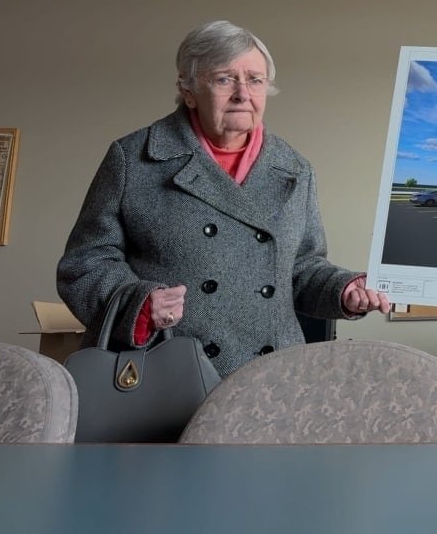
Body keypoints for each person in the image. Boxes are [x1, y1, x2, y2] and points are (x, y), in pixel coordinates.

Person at [57, 20, 391, 378]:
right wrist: (138, 305)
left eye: (255, 80)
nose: (242, 93)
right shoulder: (134, 158)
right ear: (188, 90)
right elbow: (85, 263)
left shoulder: (294, 168)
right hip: (166, 372)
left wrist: (343, 288)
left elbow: (303, 268)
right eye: (224, 79)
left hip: (268, 376)